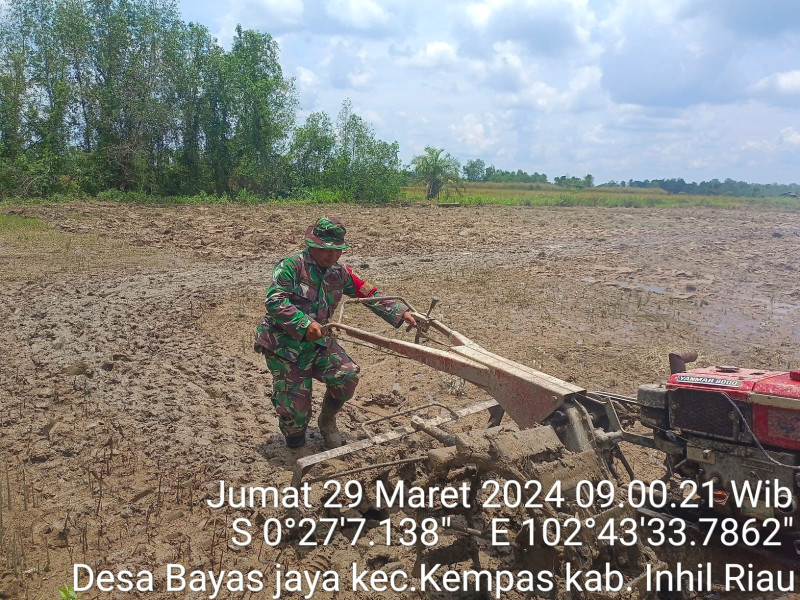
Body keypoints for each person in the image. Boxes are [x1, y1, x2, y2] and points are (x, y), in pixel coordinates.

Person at [254, 217, 417, 449]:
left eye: (337, 250)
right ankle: (295, 444)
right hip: (284, 346)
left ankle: (327, 420)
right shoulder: (292, 266)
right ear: (312, 244)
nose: (332, 256)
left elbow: (368, 293)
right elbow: (275, 300)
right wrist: (304, 323)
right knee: (295, 412)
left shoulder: (340, 272)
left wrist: (400, 312)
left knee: (347, 376)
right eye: (326, 250)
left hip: (319, 342)